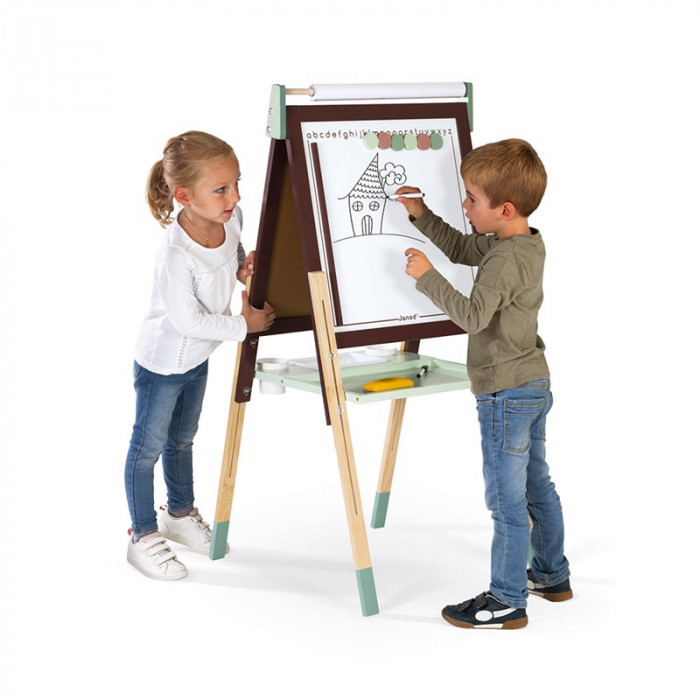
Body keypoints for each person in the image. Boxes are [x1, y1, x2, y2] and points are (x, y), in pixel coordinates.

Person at [396, 138, 571, 629]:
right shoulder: (518, 242)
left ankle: (506, 599)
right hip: (532, 383)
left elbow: (473, 316)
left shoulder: (504, 259)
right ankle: (551, 575)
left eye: (472, 199)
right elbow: (461, 247)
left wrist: (427, 277)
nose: (465, 205)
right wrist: (420, 214)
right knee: (536, 486)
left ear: (504, 209)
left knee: (506, 501)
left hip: (505, 392)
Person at [124, 131, 275, 581]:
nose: (236, 197)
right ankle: (142, 535)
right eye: (222, 189)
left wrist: (244, 268)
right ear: (184, 197)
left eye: (237, 183)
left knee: (182, 439)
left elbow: (234, 254)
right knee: (147, 448)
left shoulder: (232, 219)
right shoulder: (175, 255)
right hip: (163, 364)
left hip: (197, 359)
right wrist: (244, 326)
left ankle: (179, 513)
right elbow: (188, 321)